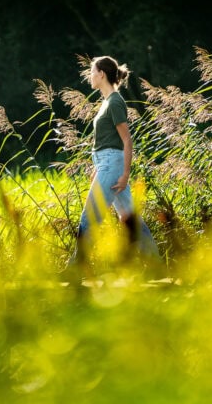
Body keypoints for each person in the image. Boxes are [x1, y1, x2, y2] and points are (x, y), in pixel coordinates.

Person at [71, 56, 160, 267]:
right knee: (131, 219)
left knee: (90, 217)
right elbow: (106, 142)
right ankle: (156, 266)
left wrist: (125, 174)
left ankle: (75, 270)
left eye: (92, 72)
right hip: (106, 164)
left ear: (101, 74)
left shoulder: (115, 102)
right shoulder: (106, 102)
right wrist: (98, 168)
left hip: (112, 164)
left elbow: (126, 140)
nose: (90, 76)